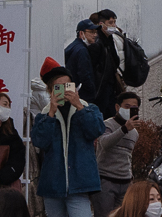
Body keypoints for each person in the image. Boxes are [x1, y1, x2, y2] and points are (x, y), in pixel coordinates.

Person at [35, 55, 108, 217]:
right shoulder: (45, 114)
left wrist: (79, 106)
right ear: (50, 90)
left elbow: (96, 130)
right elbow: (40, 141)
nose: (64, 90)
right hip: (53, 185)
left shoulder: (88, 108)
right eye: (58, 87)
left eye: (67, 85)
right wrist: (51, 114)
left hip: (80, 184)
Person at [96, 90, 144, 215]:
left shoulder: (135, 133)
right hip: (106, 179)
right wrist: (124, 129)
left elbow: (128, 156)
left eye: (134, 108)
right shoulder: (107, 124)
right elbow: (105, 143)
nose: (130, 110)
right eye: (127, 107)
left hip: (125, 181)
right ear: (118, 107)